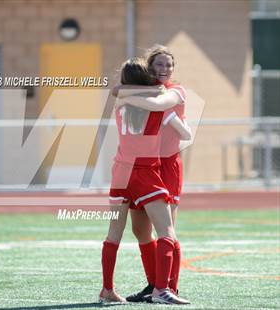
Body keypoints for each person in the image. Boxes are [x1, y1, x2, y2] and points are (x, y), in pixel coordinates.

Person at [100, 56, 190, 304]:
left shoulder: (121, 103)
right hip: (145, 171)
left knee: (113, 235)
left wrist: (126, 90)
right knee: (167, 231)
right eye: (156, 68)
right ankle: (162, 289)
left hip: (120, 171)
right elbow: (184, 130)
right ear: (147, 76)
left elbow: (118, 90)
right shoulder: (156, 104)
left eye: (167, 65)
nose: (162, 71)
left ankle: (107, 290)